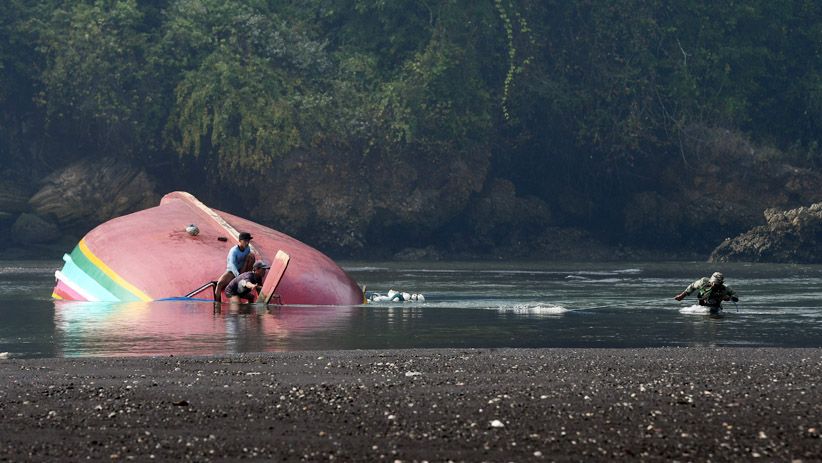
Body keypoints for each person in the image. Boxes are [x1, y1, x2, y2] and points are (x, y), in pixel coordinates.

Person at [214, 232, 256, 302]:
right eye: (245, 241)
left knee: (251, 256)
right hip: (232, 272)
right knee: (219, 284)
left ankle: (250, 279)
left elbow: (248, 258)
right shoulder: (233, 251)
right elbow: (232, 265)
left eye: (248, 241)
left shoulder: (247, 249)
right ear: (239, 241)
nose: (247, 242)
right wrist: (238, 276)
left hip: (242, 270)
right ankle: (217, 304)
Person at [674, 272, 739, 311]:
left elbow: (736, 297)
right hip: (702, 303)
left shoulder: (726, 288)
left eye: (718, 284)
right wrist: (682, 296)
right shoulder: (703, 282)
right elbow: (692, 286)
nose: (715, 285)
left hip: (716, 306)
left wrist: (729, 298)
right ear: (711, 281)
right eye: (714, 283)